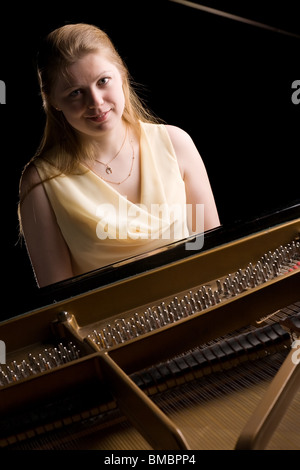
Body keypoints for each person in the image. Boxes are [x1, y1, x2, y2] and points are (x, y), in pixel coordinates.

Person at [18, 23, 220, 288]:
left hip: (200, 310)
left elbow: (214, 255)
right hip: (111, 328)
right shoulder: (40, 184)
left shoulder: (176, 143)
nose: (96, 102)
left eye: (103, 81)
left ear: (122, 73)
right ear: (53, 101)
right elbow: (59, 302)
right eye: (75, 93)